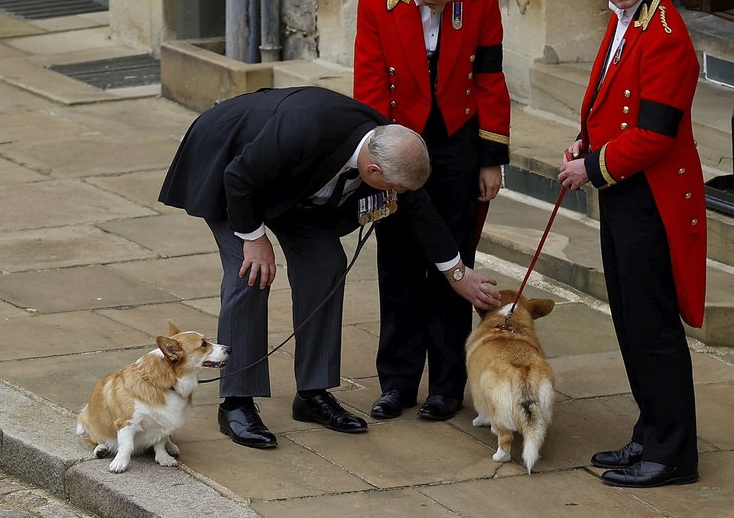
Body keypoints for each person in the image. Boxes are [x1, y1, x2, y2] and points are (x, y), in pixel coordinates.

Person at [159, 86, 500, 449]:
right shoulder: (305, 127)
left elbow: (420, 210)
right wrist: (256, 240)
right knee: (250, 274)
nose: (396, 195)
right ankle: (237, 404)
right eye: (393, 188)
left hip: (291, 185)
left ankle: (312, 393)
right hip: (228, 165)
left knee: (327, 262)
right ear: (372, 169)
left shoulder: (391, 145)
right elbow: (240, 177)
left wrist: (457, 274)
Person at [557, 0, 707, 488]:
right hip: (625, 192)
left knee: (653, 327)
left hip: (653, 199)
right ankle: (649, 433)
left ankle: (673, 455)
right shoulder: (628, 21)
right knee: (628, 318)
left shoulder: (665, 32)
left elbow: (656, 134)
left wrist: (590, 167)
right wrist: (584, 141)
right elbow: (608, 102)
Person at [353, 0, 511, 422]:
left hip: (458, 142)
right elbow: (370, 83)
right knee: (398, 263)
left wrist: (491, 157)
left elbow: (489, 74)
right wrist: (381, 163)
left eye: (447, 5)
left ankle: (446, 386)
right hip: (399, 139)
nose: (440, 12)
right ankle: (396, 383)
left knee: (455, 261)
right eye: (431, 4)